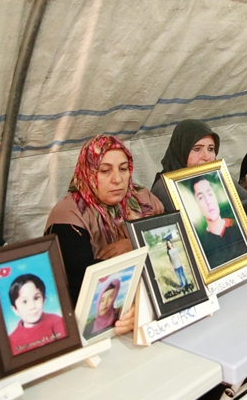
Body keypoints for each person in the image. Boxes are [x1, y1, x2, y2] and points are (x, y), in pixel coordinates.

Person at [45, 135, 163, 335]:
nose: (117, 179)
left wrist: (134, 242)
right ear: (89, 172)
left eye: (123, 169)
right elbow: (84, 281)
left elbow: (176, 239)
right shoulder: (69, 215)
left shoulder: (142, 198)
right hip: (99, 325)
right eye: (105, 170)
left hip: (150, 308)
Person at [150, 119, 247, 218]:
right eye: (197, 149)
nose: (206, 157)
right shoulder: (165, 187)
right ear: (181, 151)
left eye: (211, 149)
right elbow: (195, 220)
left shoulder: (218, 176)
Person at [189, 174, 247, 269]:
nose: (208, 201)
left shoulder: (238, 225)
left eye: (210, 194)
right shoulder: (200, 242)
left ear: (215, 196)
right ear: (197, 204)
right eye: (201, 198)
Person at [7, 274, 67, 356]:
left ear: (44, 300)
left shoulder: (56, 321)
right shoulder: (12, 340)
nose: (32, 306)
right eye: (24, 301)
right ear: (15, 310)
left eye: (36, 298)